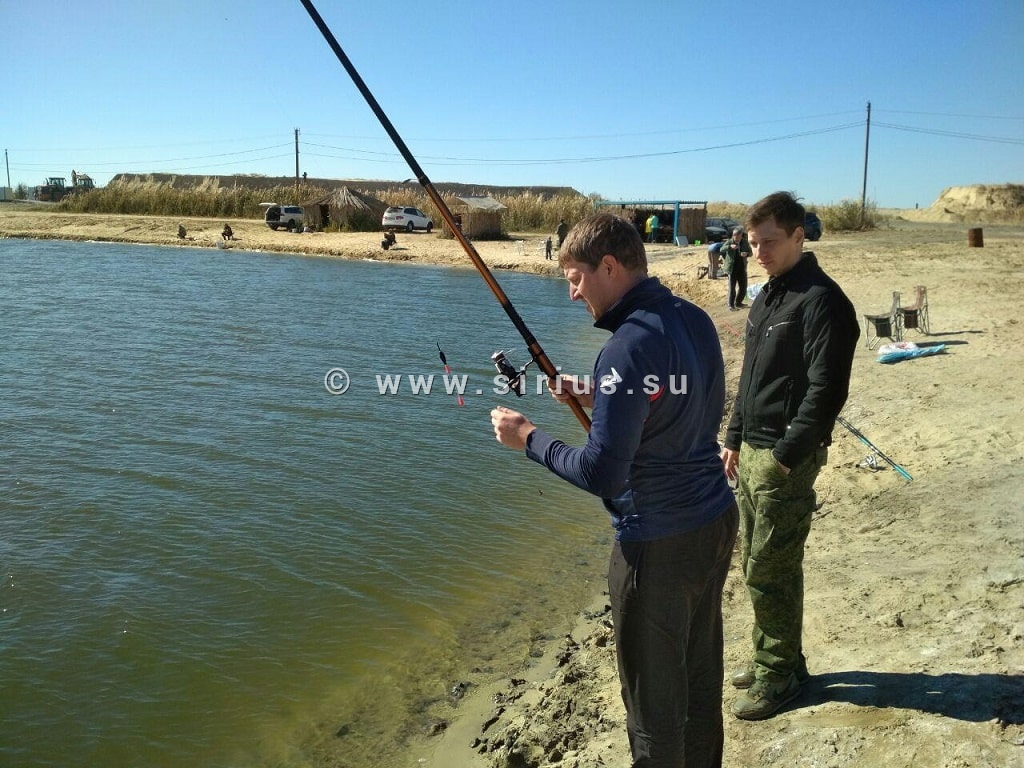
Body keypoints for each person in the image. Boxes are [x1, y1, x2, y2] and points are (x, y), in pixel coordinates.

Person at [490, 213, 738, 767]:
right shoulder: (694, 318)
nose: (573, 293)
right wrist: (598, 392)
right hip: (716, 520)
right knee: (699, 680)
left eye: (575, 278)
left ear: (608, 267)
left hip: (657, 546)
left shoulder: (625, 347)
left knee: (654, 706)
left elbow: (604, 474)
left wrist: (528, 438)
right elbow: (680, 398)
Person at [721, 191, 859, 721]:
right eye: (751, 244)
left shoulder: (822, 301)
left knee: (769, 568)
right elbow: (750, 376)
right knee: (759, 562)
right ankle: (779, 660)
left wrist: (785, 455)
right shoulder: (767, 297)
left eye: (769, 242)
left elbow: (827, 390)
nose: (758, 252)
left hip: (785, 457)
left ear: (799, 236)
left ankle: (778, 677)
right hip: (753, 450)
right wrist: (734, 437)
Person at [722, 227, 749, 310]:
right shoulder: (729, 242)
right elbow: (721, 249)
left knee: (743, 287)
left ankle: (738, 303)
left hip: (742, 268)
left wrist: (746, 254)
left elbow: (750, 252)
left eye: (737, 235)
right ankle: (731, 305)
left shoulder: (744, 242)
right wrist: (730, 246)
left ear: (741, 236)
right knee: (732, 288)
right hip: (731, 269)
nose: (735, 237)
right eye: (734, 235)